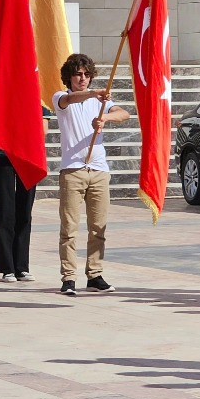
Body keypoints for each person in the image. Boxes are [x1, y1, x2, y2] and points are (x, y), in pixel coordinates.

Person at [54, 53, 129, 297]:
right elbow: (69, 99)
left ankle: (95, 274)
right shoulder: (61, 98)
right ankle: (68, 277)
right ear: (70, 77)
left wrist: (105, 117)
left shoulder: (101, 102)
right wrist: (92, 94)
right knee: (69, 228)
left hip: (98, 171)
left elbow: (124, 114)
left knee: (98, 227)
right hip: (73, 170)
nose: (83, 78)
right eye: (78, 74)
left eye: (87, 74)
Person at [0, 142, 38, 283]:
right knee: (5, 211)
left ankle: (21, 266)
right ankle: (7, 268)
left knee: (25, 212)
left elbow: (43, 127)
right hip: (4, 153)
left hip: (28, 155)